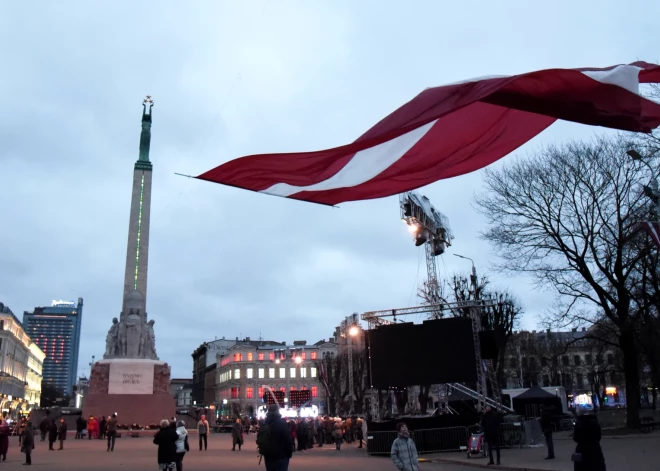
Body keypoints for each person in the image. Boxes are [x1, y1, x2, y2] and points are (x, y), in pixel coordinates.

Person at [258, 404, 293, 471]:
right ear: (277, 411)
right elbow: (288, 440)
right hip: (281, 456)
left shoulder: (264, 423)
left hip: (268, 456)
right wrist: (289, 454)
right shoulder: (282, 423)